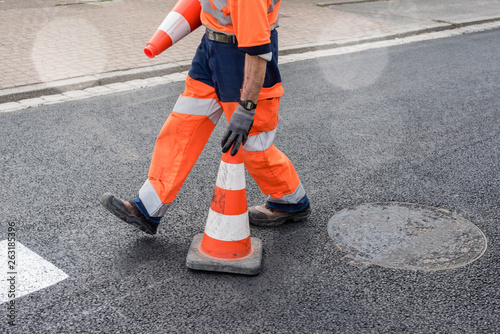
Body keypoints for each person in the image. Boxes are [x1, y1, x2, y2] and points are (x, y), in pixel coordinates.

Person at [100, 0, 311, 235]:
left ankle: (290, 200)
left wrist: (247, 107)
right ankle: (147, 207)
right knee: (181, 127)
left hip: (244, 59)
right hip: (211, 48)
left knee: (253, 144)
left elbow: (258, 49)